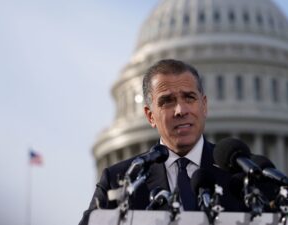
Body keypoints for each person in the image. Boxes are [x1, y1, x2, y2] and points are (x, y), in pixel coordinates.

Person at [79, 59, 244, 225]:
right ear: (150, 116)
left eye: (189, 97)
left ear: (204, 106)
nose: (180, 110)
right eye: (167, 101)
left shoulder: (244, 177)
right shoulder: (118, 181)